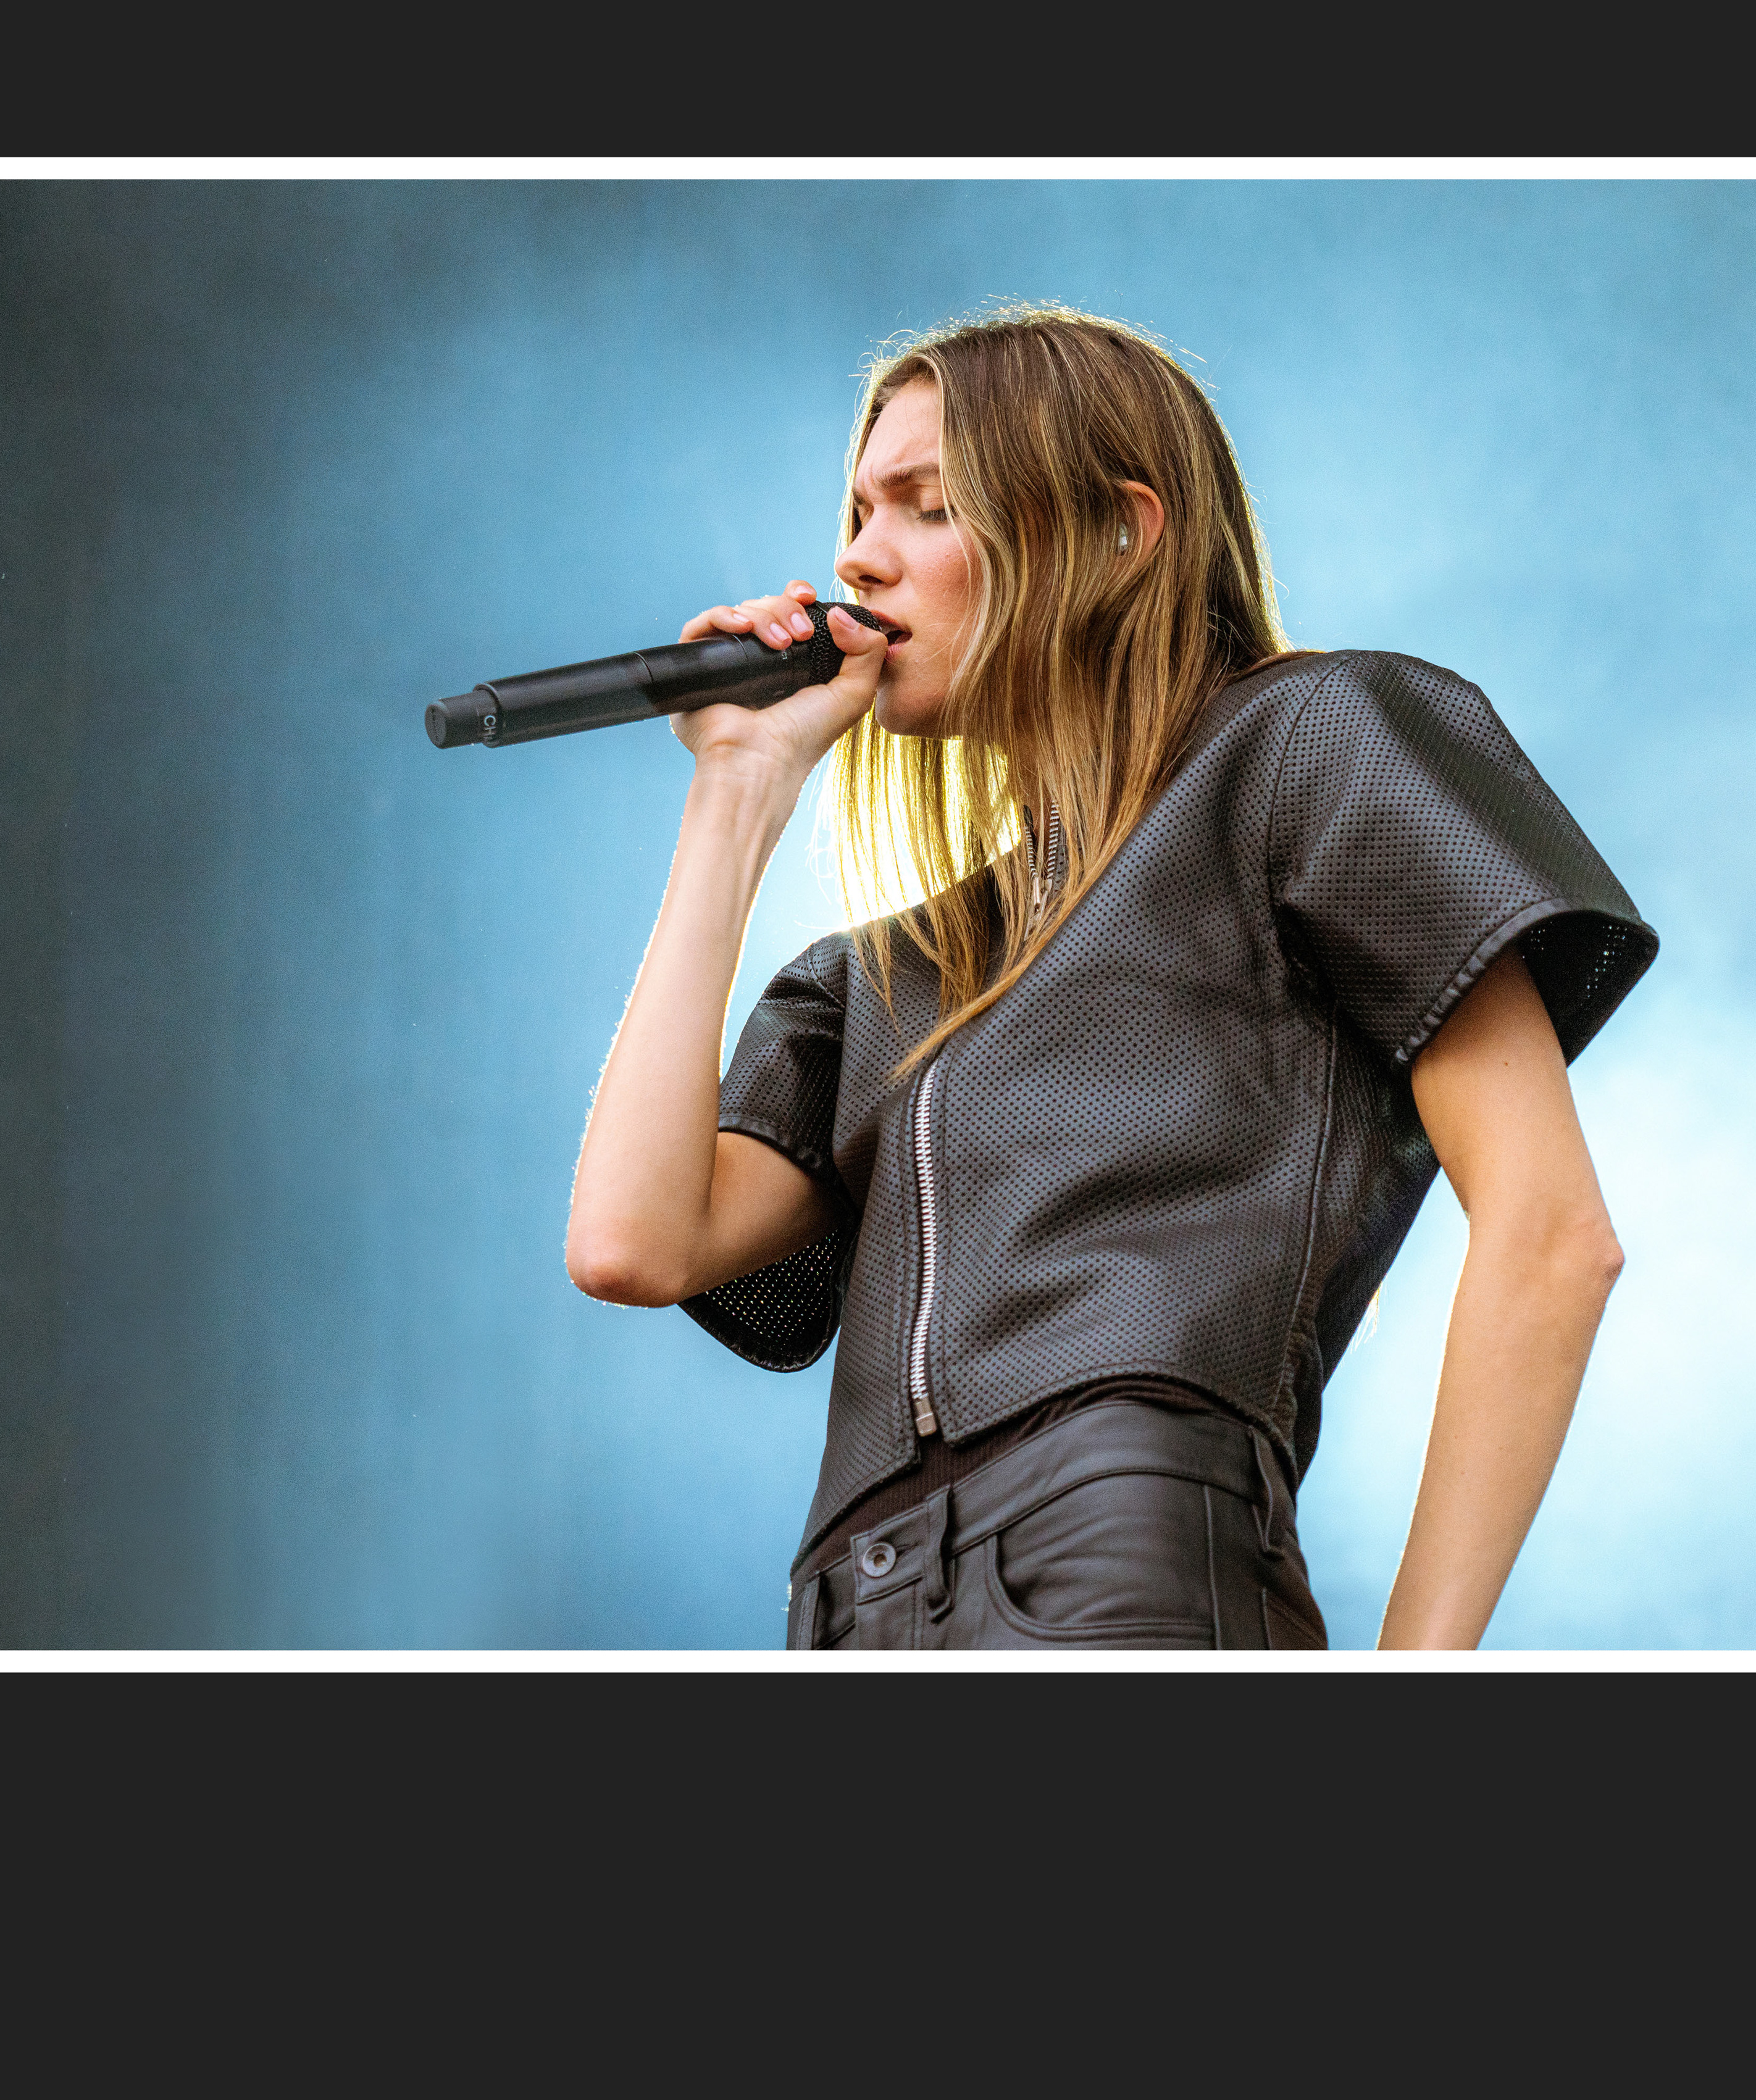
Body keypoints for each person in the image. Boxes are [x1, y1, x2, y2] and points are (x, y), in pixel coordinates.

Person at [566, 308, 1655, 1650]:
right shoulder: (885, 974)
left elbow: (1555, 1235)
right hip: (854, 1614)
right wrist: (736, 791)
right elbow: (630, 1243)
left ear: (1119, 534)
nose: (858, 557)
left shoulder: (1302, 742)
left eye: (929, 506)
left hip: (1111, 1567)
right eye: (857, 512)